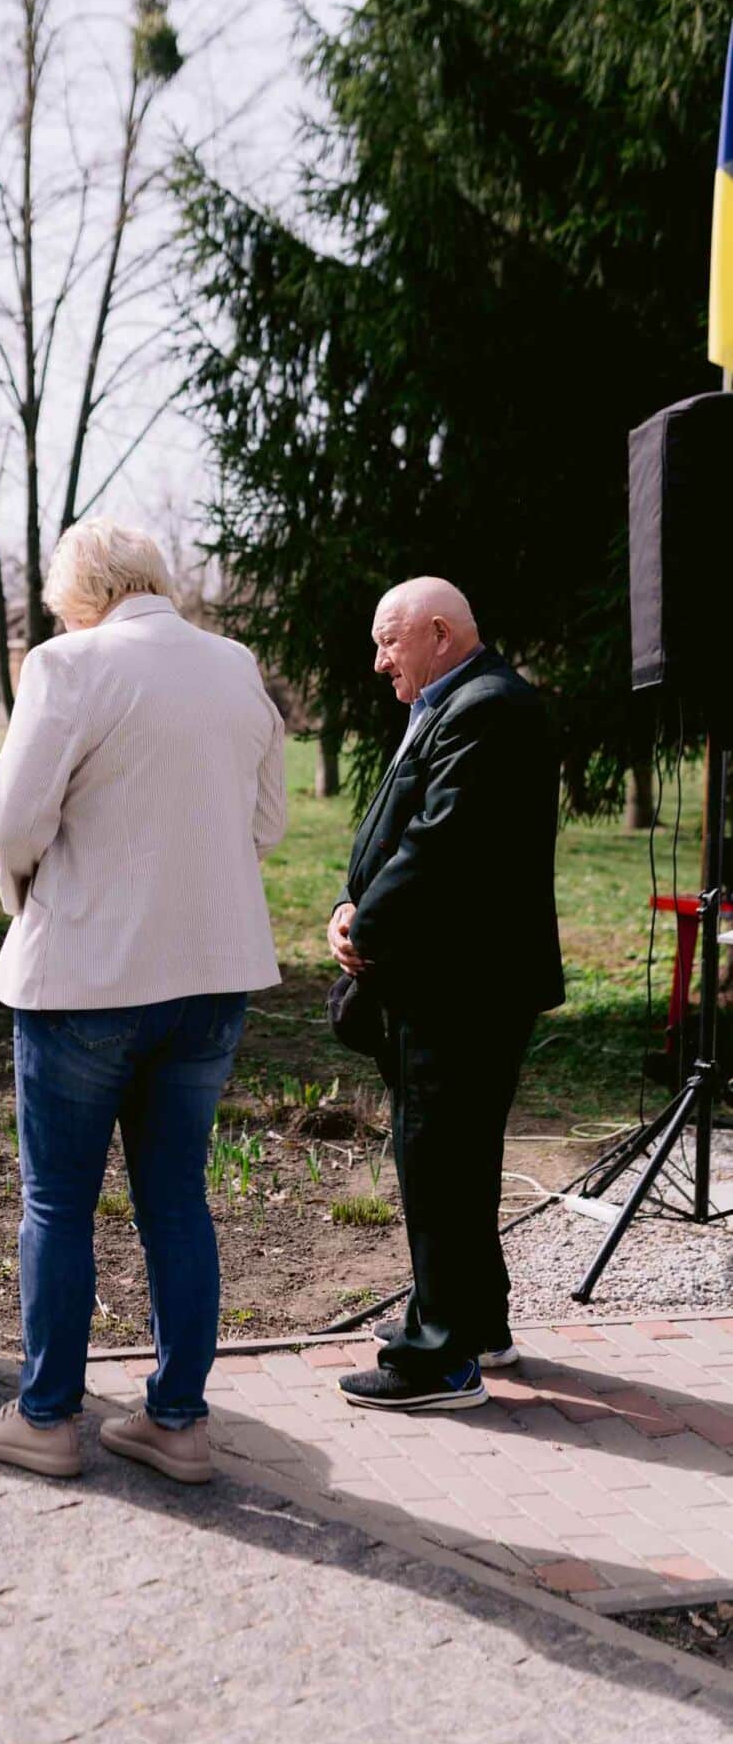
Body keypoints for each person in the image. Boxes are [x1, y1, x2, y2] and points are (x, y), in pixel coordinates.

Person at [0, 516, 287, 1482]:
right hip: (213, 973)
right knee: (177, 1201)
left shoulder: (68, 665)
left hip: (87, 974)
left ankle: (48, 1416)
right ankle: (177, 1420)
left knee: (58, 1201)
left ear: (81, 597)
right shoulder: (235, 666)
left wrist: (29, 884)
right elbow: (265, 823)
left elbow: (11, 820)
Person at [328, 578, 564, 1412]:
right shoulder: (456, 702)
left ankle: (439, 1360)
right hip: (452, 982)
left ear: (438, 632)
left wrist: (363, 930)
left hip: (460, 988)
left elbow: (439, 847)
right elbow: (393, 832)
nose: (378, 661)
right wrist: (347, 906)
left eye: (388, 641)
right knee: (459, 1163)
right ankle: (480, 1325)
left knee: (438, 1166)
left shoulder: (487, 707)